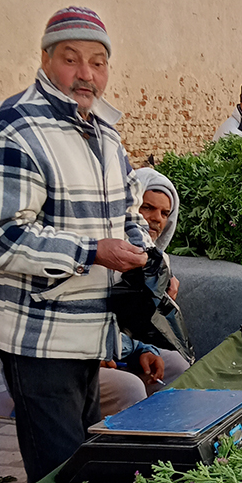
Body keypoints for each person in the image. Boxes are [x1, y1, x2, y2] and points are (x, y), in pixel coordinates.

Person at [0, 6, 150, 483]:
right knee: (60, 477)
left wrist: (147, 260)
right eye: (71, 59)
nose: (86, 74)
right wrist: (92, 251)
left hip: (89, 332)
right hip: (38, 337)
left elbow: (127, 215)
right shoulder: (13, 126)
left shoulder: (104, 133)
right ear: (46, 60)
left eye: (98, 61)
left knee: (81, 466)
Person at [98, 167, 192, 416]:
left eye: (165, 213)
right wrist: (102, 351)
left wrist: (145, 349)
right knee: (129, 388)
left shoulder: (159, 265)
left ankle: (169, 436)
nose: (157, 219)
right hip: (83, 353)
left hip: (123, 352)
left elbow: (143, 325)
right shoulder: (105, 254)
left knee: (178, 365)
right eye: (147, 207)